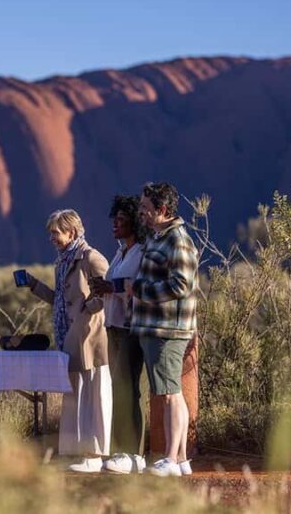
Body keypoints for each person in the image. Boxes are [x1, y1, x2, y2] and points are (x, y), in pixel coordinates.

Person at [24, 209, 112, 473]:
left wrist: (89, 308)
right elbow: (60, 300)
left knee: (94, 393)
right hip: (69, 336)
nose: (52, 238)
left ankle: (94, 454)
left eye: (56, 233)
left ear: (71, 232)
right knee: (75, 393)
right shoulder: (63, 261)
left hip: (90, 338)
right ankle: (78, 453)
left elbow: (110, 292)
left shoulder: (90, 257)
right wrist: (33, 285)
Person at [131, 182, 198, 477]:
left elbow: (181, 284)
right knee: (170, 391)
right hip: (155, 328)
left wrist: (141, 290)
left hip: (168, 328)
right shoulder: (158, 238)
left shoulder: (177, 240)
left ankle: (171, 458)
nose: (141, 213)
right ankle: (180, 458)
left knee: (169, 393)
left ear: (162, 210)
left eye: (146, 208)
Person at [89, 195, 147, 474]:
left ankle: (132, 452)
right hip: (112, 327)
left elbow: (137, 285)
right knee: (118, 389)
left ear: (134, 222)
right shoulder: (121, 251)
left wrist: (110, 286)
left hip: (130, 329)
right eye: (115, 218)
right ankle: (119, 449)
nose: (115, 223)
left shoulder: (142, 251)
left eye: (121, 220)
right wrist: (104, 286)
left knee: (128, 389)